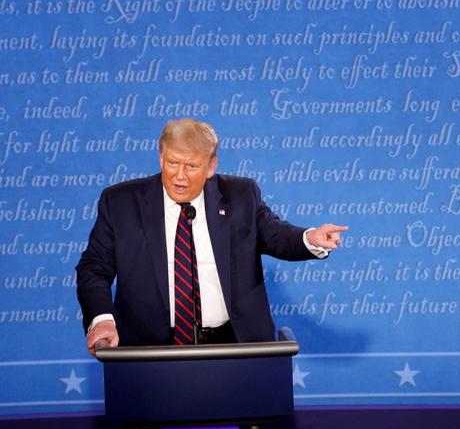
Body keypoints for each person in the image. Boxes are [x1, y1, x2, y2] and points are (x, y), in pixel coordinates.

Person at [76, 118, 347, 351]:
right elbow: (93, 268)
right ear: (161, 157)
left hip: (233, 345)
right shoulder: (121, 203)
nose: (179, 176)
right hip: (149, 350)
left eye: (191, 166)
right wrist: (102, 320)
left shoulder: (240, 196)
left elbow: (275, 234)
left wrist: (309, 239)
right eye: (172, 163)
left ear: (210, 167)